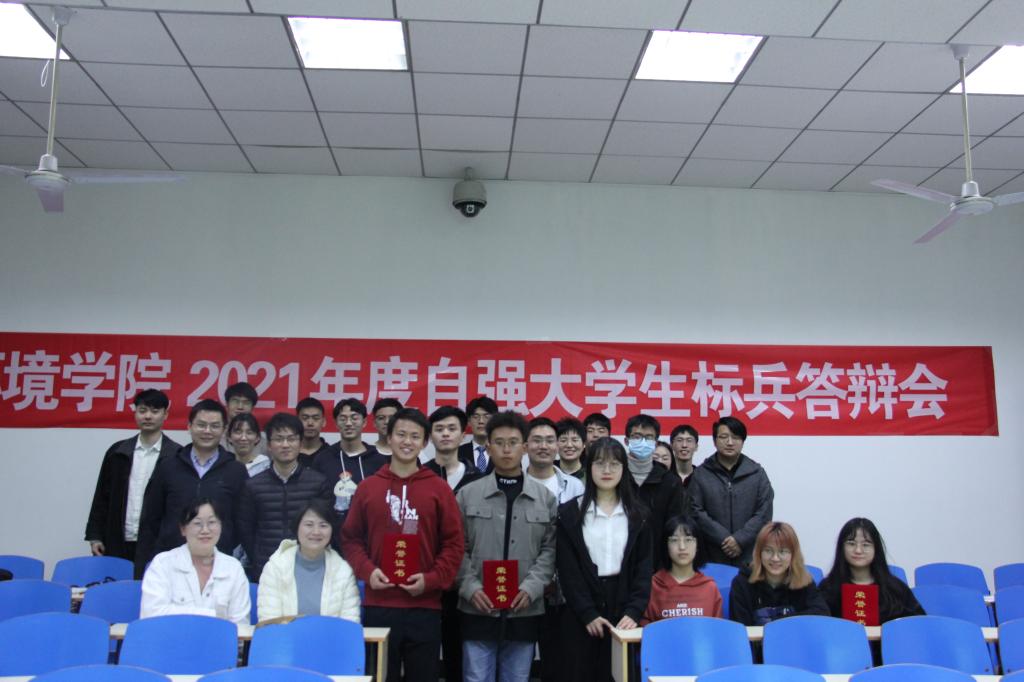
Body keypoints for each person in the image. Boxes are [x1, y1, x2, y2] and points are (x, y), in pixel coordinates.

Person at [341, 408, 465, 682]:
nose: (407, 442)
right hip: (378, 604)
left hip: (425, 606)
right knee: (380, 676)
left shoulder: (439, 489)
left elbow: (454, 543)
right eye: (401, 434)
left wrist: (432, 579)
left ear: (424, 442)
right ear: (389, 438)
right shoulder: (368, 487)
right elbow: (351, 538)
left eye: (415, 436)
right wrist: (367, 571)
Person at [456, 411, 557, 682]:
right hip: (477, 607)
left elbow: (550, 550)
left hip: (524, 607)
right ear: (488, 447)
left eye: (513, 442)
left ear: (524, 447)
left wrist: (532, 588)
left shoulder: (545, 498)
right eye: (499, 443)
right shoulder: (467, 494)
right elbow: (456, 548)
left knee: (517, 678)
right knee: (476, 677)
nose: (506, 449)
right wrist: (470, 587)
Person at [556, 437, 652, 682]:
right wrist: (587, 613)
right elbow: (568, 570)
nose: (607, 470)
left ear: (624, 469)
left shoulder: (638, 515)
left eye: (614, 464)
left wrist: (634, 611)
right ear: (588, 468)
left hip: (624, 610)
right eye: (599, 463)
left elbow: (643, 568)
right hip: (581, 610)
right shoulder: (570, 513)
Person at [135, 399, 248, 576]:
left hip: (217, 563)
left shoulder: (236, 470)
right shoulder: (168, 466)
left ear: (224, 430)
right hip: (170, 562)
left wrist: (223, 543)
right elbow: (151, 518)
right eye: (201, 425)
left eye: (214, 426)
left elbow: (242, 521)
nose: (207, 431)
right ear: (189, 427)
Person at [85, 389, 180, 566]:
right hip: (118, 540)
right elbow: (101, 497)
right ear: (135, 412)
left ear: (165, 414)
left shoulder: (177, 455)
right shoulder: (117, 452)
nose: (148, 416)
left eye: (155, 411)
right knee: (118, 583)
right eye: (142, 411)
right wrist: (95, 535)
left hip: (159, 543)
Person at [425, 405, 483, 682]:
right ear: (430, 436)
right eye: (439, 429)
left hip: (465, 577)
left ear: (463, 435)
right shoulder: (420, 475)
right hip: (427, 575)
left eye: (451, 429)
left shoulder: (478, 478)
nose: (445, 434)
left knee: (460, 648)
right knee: (424, 647)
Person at [237, 413, 333, 580]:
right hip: (266, 570)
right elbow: (246, 531)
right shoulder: (253, 486)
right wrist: (260, 559)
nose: (285, 445)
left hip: (308, 569)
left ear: (300, 443)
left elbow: (327, 527)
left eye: (291, 439)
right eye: (279, 439)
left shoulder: (318, 483)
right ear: (269, 445)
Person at [525, 417, 584, 682]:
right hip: (521, 587)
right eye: (537, 440)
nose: (544, 446)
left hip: (562, 590)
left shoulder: (575, 487)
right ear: (526, 445)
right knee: (518, 660)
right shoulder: (515, 483)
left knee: (558, 661)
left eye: (550, 440)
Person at [140, 498, 250, 626]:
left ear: (221, 526)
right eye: (197, 523)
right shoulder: (162, 564)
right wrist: (212, 615)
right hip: (171, 638)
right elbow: (151, 615)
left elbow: (240, 625)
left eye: (212, 522)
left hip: (218, 639)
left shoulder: (233, 568)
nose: (205, 530)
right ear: (183, 529)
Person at [257, 499, 360, 622]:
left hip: (331, 635)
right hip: (284, 635)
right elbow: (269, 622)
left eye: (323, 525)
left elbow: (349, 625)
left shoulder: (343, 571)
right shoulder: (275, 567)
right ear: (297, 527)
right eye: (309, 525)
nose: (316, 532)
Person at [690, 416, 773, 567]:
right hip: (711, 556)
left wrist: (740, 540)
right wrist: (724, 539)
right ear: (714, 441)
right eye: (723, 437)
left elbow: (764, 512)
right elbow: (695, 511)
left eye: (735, 437)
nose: (729, 442)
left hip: (749, 557)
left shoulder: (757, 474)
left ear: (743, 441)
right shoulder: (701, 474)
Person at [818, 518, 925, 623]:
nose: (858, 550)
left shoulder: (896, 589)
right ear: (841, 547)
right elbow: (818, 626)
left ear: (876, 548)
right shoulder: (828, 588)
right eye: (851, 543)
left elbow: (920, 624)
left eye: (866, 544)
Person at [728, 522, 828, 626]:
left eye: (782, 551)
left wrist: (779, 623)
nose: (775, 558)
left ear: (793, 555)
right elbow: (739, 628)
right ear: (759, 553)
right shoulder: (741, 584)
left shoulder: (804, 582)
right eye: (768, 551)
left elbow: (822, 615)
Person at [623, 414, 686, 564]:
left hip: (656, 561)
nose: (643, 442)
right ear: (626, 441)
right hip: (618, 559)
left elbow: (675, 526)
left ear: (656, 443)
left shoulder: (670, 481)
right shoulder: (614, 475)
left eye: (649, 438)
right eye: (637, 437)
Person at [312, 398, 386, 522]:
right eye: (343, 419)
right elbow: (316, 499)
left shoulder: (378, 460)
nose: (348, 423)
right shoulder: (323, 459)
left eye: (354, 418)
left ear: (364, 422)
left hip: (368, 527)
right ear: (336, 423)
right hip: (333, 527)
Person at [641, 515, 722, 624]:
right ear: (666, 546)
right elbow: (646, 630)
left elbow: (716, 629)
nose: (682, 547)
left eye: (688, 540)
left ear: (697, 545)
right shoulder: (653, 586)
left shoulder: (710, 588)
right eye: (674, 540)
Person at [221, 382, 264, 456]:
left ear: (252, 407)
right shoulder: (216, 435)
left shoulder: (262, 440)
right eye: (235, 401)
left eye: (246, 402)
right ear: (227, 404)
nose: (240, 407)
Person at [459, 395, 498, 474]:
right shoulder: (458, 453)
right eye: (476, 416)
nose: (481, 421)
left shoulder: (503, 452)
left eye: (486, 416)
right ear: (469, 421)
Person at [227, 412, 269, 476]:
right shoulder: (224, 465)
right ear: (229, 437)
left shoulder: (265, 465)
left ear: (257, 437)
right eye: (238, 432)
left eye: (249, 433)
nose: (243, 438)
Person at [296, 397, 332, 467]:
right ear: (296, 420)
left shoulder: (332, 454)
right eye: (305, 418)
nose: (310, 423)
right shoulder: (288, 453)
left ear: (324, 422)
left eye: (316, 418)